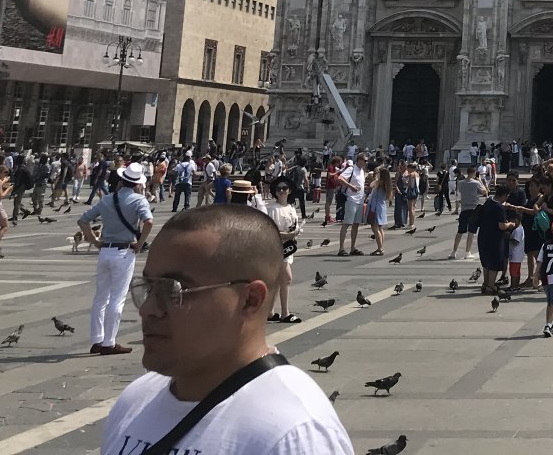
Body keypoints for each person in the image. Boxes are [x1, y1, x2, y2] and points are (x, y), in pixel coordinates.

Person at [102, 205, 351, 454]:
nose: (147, 309)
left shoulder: (293, 434)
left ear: (250, 300)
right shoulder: (135, 400)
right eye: (148, 286)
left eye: (174, 291)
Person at [78, 162, 155, 356]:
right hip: (124, 252)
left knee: (100, 297)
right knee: (117, 298)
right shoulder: (139, 200)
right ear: (137, 183)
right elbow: (148, 222)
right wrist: (140, 243)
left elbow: (83, 221)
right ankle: (109, 343)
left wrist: (95, 241)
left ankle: (97, 340)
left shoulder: (107, 199)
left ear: (122, 180)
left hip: (105, 251)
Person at [262, 179, 302, 324]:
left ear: (289, 190)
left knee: (278, 280)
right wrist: (286, 235)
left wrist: (295, 232)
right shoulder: (272, 208)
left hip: (288, 247)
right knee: (286, 278)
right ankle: (285, 313)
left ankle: (270, 312)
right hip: (276, 247)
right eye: (278, 189)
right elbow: (268, 229)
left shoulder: (291, 207)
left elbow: (293, 225)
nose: (281, 191)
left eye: (284, 188)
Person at [452, 165, 486, 260]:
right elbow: (485, 192)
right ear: (474, 173)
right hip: (474, 209)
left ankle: (454, 251)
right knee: (471, 232)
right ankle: (467, 252)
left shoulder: (461, 183)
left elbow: (459, 193)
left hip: (464, 208)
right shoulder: (476, 183)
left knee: (460, 231)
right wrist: (480, 181)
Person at [336, 159, 366, 257]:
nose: (366, 163)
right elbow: (340, 178)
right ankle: (341, 248)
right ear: (359, 160)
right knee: (347, 223)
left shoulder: (362, 170)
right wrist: (350, 186)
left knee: (356, 224)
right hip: (351, 199)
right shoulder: (351, 169)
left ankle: (353, 247)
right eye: (364, 160)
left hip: (360, 200)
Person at [365, 167, 393, 256]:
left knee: (375, 227)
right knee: (380, 228)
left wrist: (375, 178)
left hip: (375, 207)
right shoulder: (387, 184)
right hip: (381, 207)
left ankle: (380, 248)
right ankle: (380, 247)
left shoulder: (379, 182)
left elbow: (371, 185)